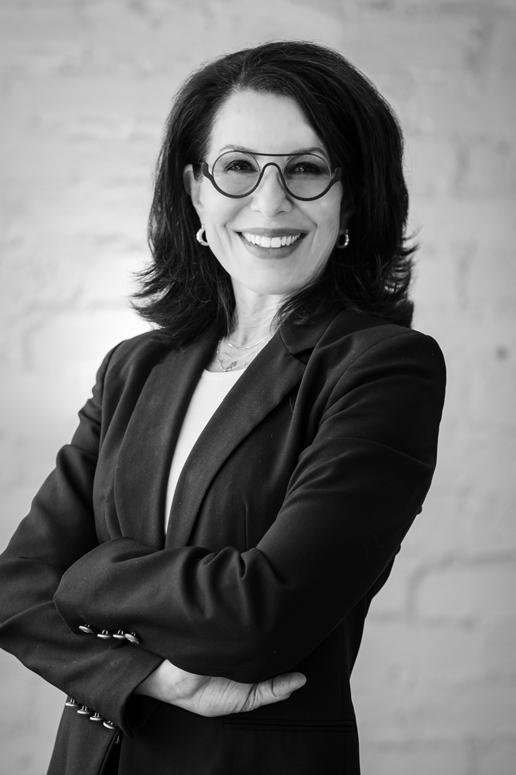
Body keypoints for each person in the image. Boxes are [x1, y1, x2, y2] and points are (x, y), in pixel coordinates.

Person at [0, 40, 446, 775]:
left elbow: (262, 615)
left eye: (306, 169)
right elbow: (16, 585)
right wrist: (149, 678)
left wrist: (88, 576)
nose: (270, 202)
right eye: (238, 166)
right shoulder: (134, 368)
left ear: (352, 196)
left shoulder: (383, 367)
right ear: (196, 191)